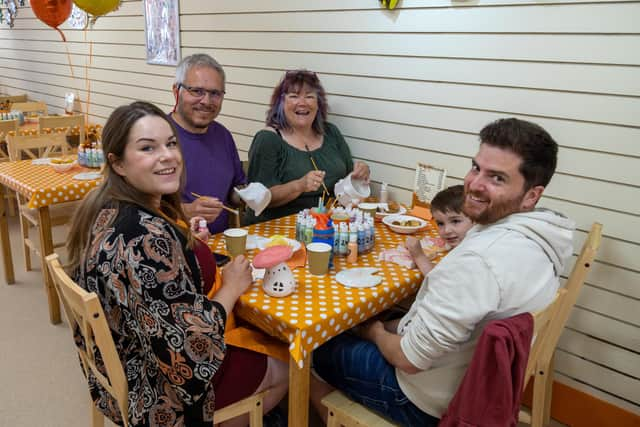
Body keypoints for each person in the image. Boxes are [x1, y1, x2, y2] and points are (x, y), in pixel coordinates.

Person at [310, 118, 576, 426]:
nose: (475, 184)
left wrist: (373, 332)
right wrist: (387, 327)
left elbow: (408, 360)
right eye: (476, 168)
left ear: (532, 194)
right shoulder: (543, 235)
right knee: (374, 323)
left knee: (314, 348)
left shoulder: (479, 261)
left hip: (426, 400)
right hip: (480, 380)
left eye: (498, 178)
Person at [66, 101, 287, 427]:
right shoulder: (146, 239)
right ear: (118, 163)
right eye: (147, 148)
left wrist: (183, 237)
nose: (168, 155)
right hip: (158, 392)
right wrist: (232, 286)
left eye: (170, 144)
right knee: (284, 360)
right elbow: (193, 352)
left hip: (117, 367)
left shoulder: (105, 208)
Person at [246, 69, 370, 223]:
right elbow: (257, 199)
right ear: (281, 103)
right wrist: (299, 185)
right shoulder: (268, 140)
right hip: (281, 230)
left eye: (310, 96)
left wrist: (360, 174)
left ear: (318, 104)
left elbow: (348, 177)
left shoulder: (331, 132)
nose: (302, 103)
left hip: (329, 225)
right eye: (294, 96)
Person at [170, 53, 247, 234]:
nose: (206, 101)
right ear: (176, 91)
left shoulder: (223, 135)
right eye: (197, 91)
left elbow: (234, 192)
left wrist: (248, 195)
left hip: (220, 248)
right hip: (174, 251)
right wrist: (186, 211)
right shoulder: (159, 137)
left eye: (215, 93)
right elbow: (137, 207)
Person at [406, 184, 473, 275]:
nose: (447, 230)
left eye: (455, 221)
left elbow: (438, 278)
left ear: (477, 219)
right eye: (440, 223)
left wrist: (418, 255)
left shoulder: (471, 254)